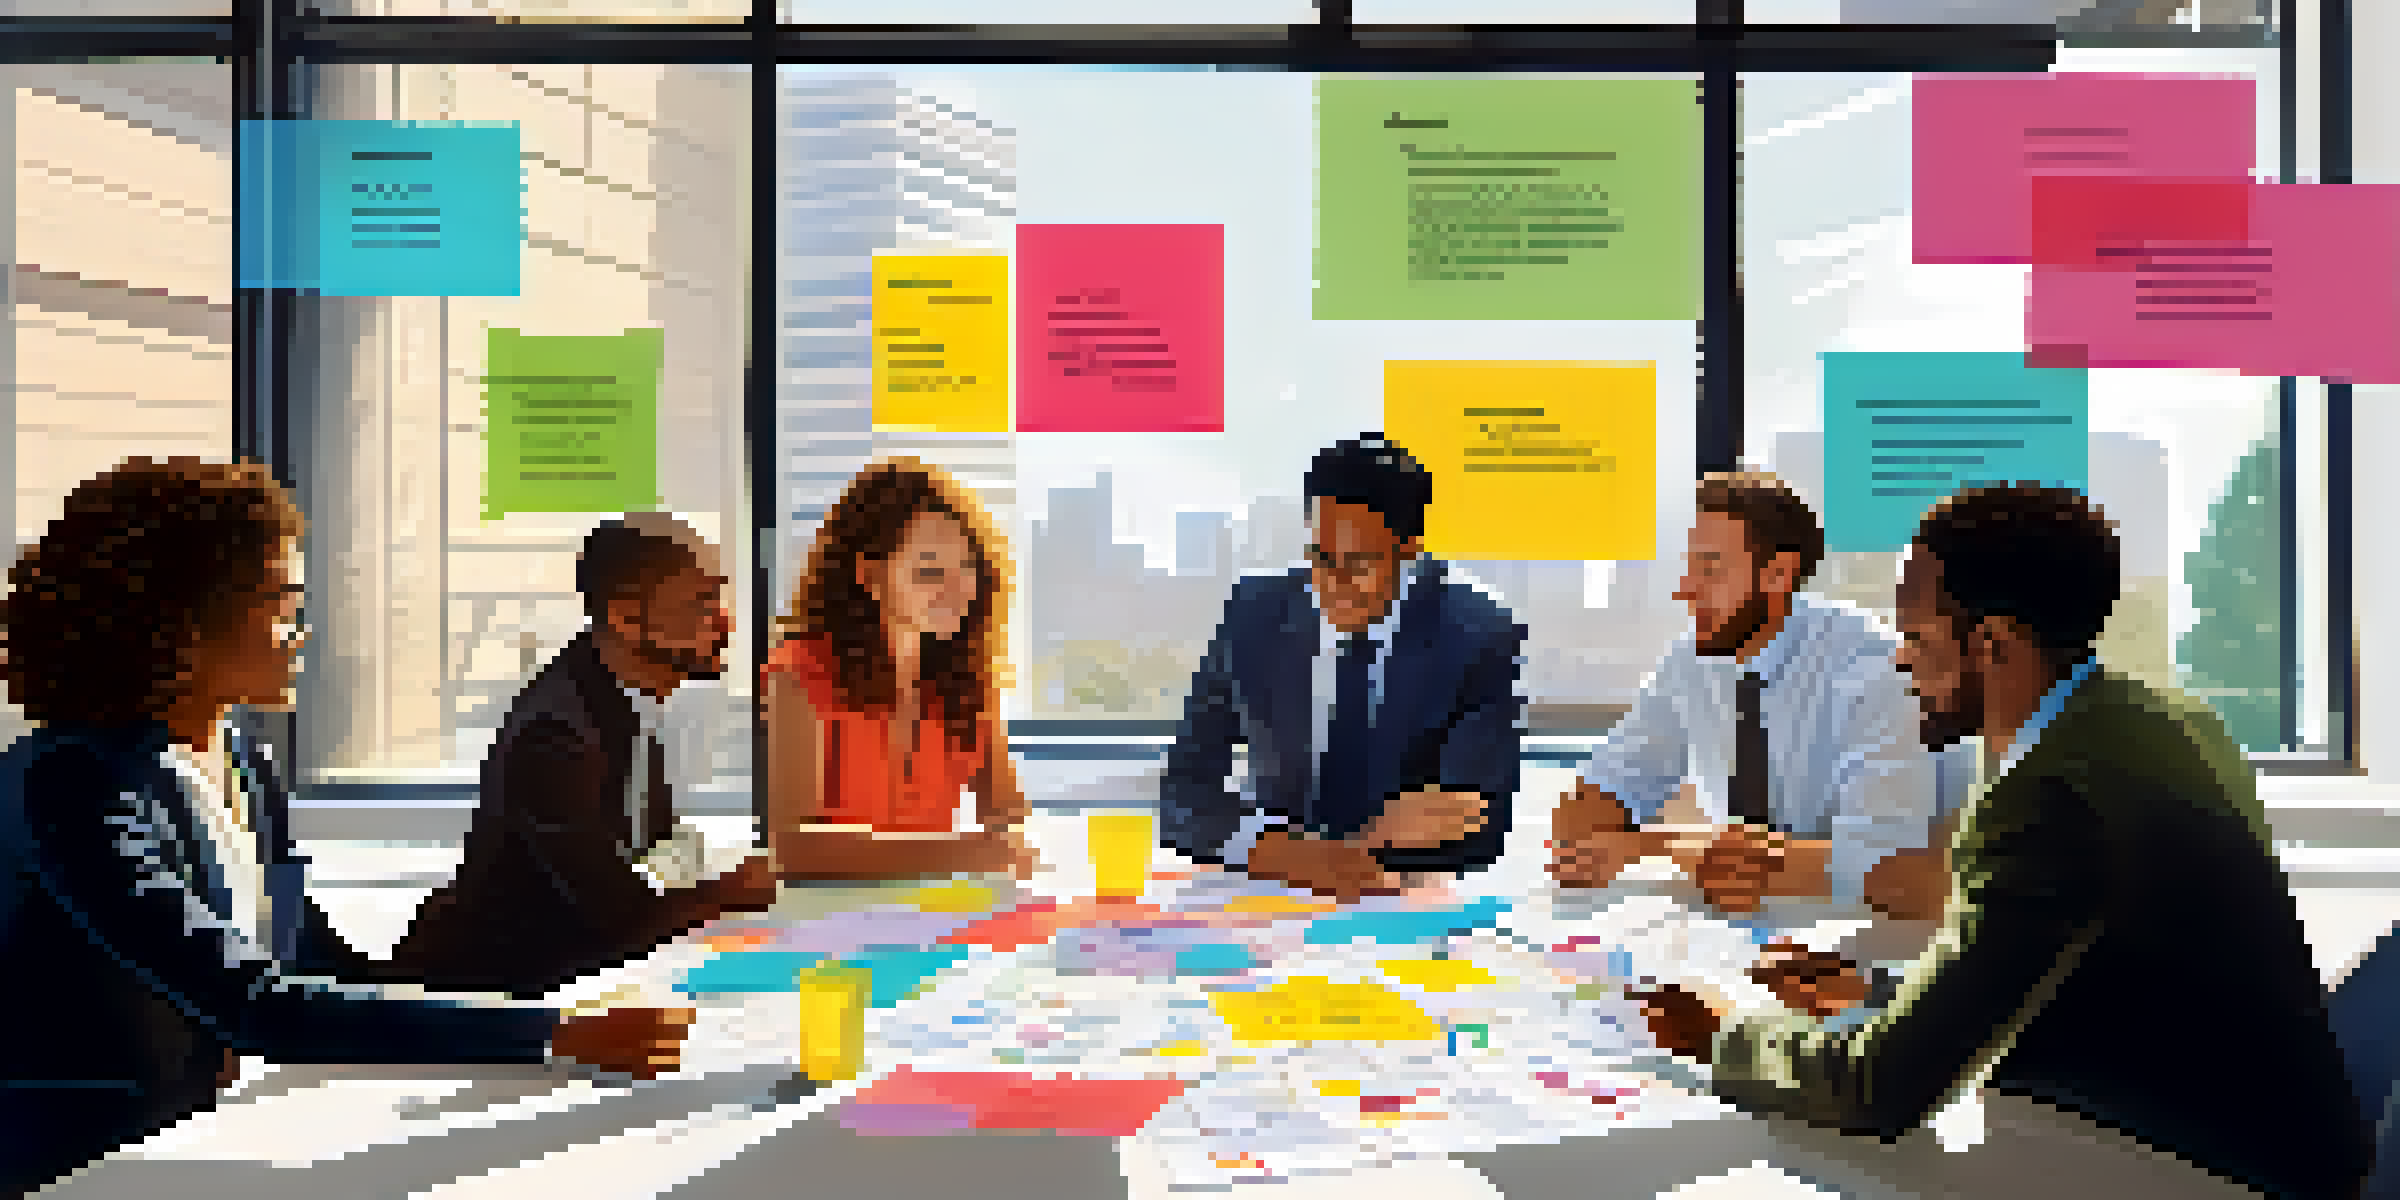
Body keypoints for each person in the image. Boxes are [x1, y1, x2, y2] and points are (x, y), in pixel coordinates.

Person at [1635, 483, 2369, 1200]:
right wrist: (1885, 997)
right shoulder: (2160, 718)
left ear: (1991, 644)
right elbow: (2099, 969)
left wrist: (1725, 1033)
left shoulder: (2043, 798)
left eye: (1918, 638)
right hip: (2282, 1135)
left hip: (2203, 1162)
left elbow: (1879, 1091)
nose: (1899, 661)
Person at [0, 459, 690, 1198]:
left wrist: (529, 1003)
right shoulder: (72, 784)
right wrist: (547, 1033)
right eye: (279, 603)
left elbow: (319, 961)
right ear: (181, 624)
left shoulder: (238, 757)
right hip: (88, 1168)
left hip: (211, 1138)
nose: (300, 632)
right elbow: (250, 999)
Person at [389, 513, 778, 998]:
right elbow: (616, 918)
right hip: (511, 1009)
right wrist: (728, 891)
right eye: (702, 602)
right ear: (625, 618)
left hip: (586, 983)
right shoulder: (555, 736)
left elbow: (661, 852)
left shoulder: (622, 701)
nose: (725, 623)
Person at [1551, 471, 1942, 918]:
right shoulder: (1691, 660)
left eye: (1710, 568)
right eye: (1688, 567)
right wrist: (1671, 847)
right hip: (1745, 928)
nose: (1684, 590)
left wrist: (1674, 849)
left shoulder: (1874, 668)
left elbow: (1886, 865)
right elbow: (1584, 813)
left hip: (1869, 936)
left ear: (1778, 573)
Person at [1160, 435, 1523, 902]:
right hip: (1272, 892)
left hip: (1401, 901)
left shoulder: (1480, 633)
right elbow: (1182, 795)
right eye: (1320, 559)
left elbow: (1475, 827)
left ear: (1409, 551)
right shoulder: (1254, 614)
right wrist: (1302, 856)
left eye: (1358, 564)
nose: (1332, 586)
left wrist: (1351, 853)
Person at [761, 459, 1036, 890]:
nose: (961, 588)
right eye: (929, 572)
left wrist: (1001, 839)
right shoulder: (798, 673)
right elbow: (794, 852)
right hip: (820, 924)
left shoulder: (967, 678)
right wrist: (966, 851)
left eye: (968, 567)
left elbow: (1006, 814)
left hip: (928, 919)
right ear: (869, 577)